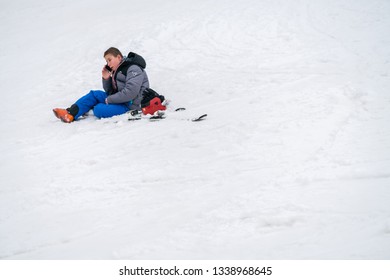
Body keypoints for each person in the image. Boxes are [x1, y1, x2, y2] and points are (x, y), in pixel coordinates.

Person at [53, 47, 149, 123]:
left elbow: (130, 93)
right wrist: (106, 78)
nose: (108, 63)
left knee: (99, 109)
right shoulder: (117, 70)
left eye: (109, 60)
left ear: (119, 57)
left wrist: (109, 99)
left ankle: (88, 108)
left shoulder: (133, 68)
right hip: (120, 100)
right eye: (106, 61)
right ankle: (69, 114)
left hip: (130, 105)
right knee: (94, 94)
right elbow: (111, 92)